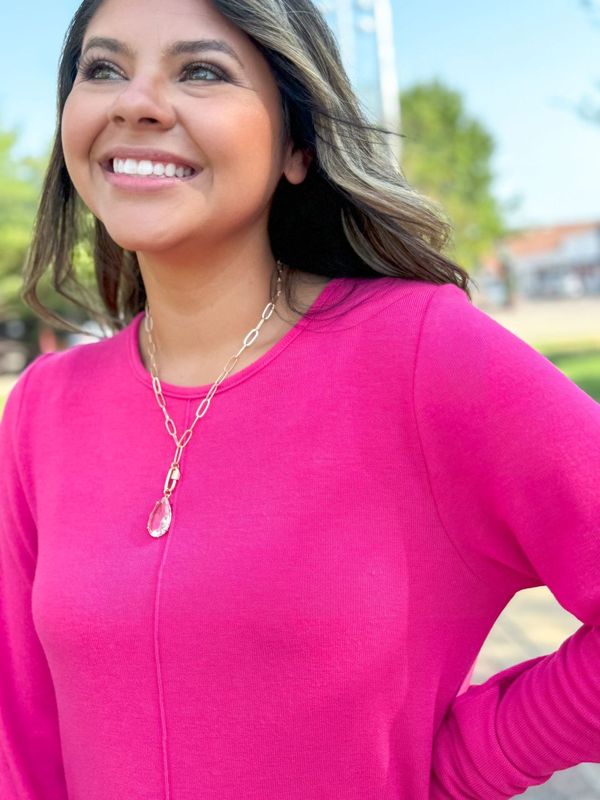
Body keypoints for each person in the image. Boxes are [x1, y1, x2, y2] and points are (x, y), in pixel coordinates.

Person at [1, 0, 598, 797]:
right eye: (101, 68)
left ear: (296, 145)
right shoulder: (45, 406)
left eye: (201, 70)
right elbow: (23, 730)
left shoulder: (420, 354)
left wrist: (462, 767)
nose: (134, 101)